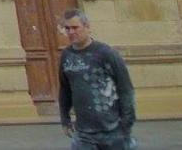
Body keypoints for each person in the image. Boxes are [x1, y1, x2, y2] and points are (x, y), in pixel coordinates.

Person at [58, 8, 136, 150]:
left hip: (113, 130)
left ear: (87, 27)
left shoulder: (106, 53)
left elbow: (125, 89)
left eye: (75, 27)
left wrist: (126, 124)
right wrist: (65, 119)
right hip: (83, 133)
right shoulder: (66, 56)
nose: (71, 32)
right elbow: (65, 90)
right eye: (67, 28)